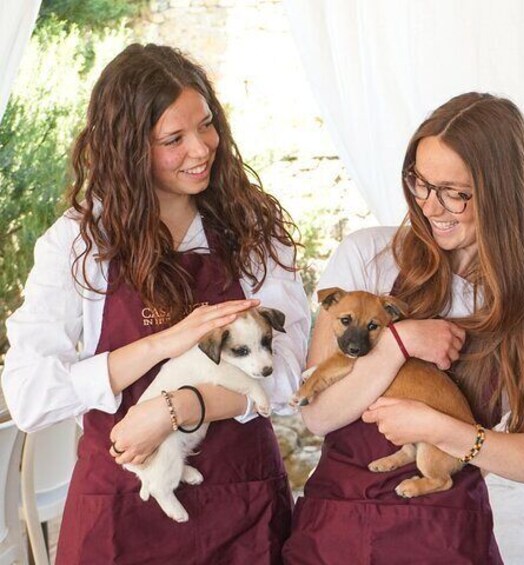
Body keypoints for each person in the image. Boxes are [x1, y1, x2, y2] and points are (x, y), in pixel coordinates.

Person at [2, 43, 309, 564]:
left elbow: (288, 376)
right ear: (128, 149)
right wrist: (165, 343)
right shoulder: (79, 243)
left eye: (206, 124)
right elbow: (31, 396)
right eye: (173, 139)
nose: (201, 148)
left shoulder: (252, 233)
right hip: (120, 513)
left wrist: (178, 408)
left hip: (242, 507)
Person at [283, 92, 524, 563]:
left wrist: (440, 428)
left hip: (448, 535)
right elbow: (318, 415)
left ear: (501, 192)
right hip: (340, 533)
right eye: (420, 183)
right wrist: (398, 342)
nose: (431, 207)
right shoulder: (367, 258)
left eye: (455, 193)